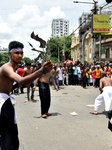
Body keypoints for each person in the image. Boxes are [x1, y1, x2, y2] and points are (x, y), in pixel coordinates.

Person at [0, 41, 52, 150]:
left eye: (21, 53)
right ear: (10, 53)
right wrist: (41, 71)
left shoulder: (13, 68)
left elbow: (15, 84)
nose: (20, 55)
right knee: (8, 135)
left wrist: (17, 85)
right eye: (17, 53)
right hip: (2, 102)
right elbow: (22, 81)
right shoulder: (7, 67)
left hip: (6, 100)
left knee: (12, 134)